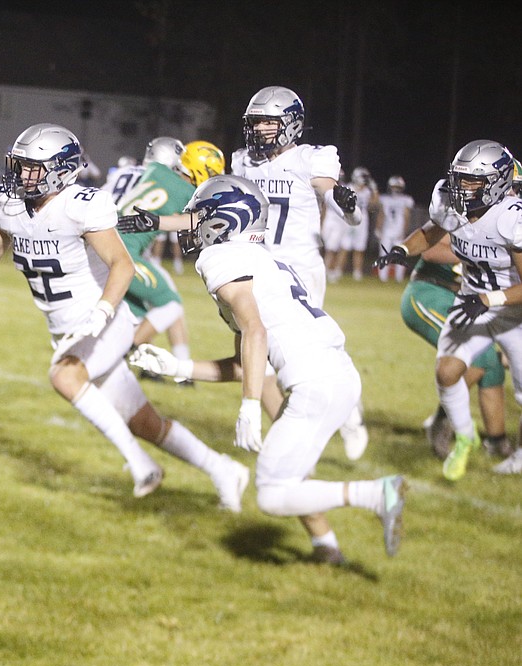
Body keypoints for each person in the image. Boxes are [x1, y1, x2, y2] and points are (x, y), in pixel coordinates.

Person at [0, 122, 250, 510]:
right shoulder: (10, 204)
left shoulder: (81, 205)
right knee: (145, 422)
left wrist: (103, 311)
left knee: (64, 376)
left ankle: (142, 466)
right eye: (21, 165)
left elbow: (123, 264)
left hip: (105, 322)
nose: (21, 174)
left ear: (61, 170)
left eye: (33, 167)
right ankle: (223, 470)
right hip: (68, 330)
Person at [129, 175, 405, 564]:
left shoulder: (220, 258)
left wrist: (249, 407)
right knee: (288, 477)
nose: (192, 224)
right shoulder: (260, 257)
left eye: (200, 216)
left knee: (273, 493)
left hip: (315, 385)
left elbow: (255, 331)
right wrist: (179, 366)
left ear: (225, 222)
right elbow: (246, 366)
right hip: (337, 376)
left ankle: (377, 494)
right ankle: (328, 545)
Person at [231, 86, 370, 461]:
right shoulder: (243, 162)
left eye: (268, 123)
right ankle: (284, 432)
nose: (259, 130)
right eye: (255, 122)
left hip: (298, 271)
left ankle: (348, 414)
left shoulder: (313, 159)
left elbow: (338, 202)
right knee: (255, 353)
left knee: (303, 356)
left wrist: (345, 205)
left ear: (291, 125)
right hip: (255, 266)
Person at [374, 139, 522, 479]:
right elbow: (430, 231)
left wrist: (489, 299)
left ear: (498, 183)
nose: (462, 187)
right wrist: (401, 249)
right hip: (473, 301)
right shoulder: (454, 204)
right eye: (460, 178)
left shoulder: (511, 219)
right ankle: (465, 438)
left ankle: (515, 453)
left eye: (472, 181)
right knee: (447, 372)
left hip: (511, 310)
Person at [114, 138, 226, 385]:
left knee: (139, 311)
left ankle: (173, 370)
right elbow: (201, 220)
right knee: (169, 304)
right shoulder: (188, 192)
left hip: (112, 245)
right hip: (125, 254)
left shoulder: (156, 170)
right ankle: (122, 354)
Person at [394, 235, 511, 460]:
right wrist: (480, 253)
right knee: (479, 356)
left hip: (466, 301)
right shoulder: (469, 214)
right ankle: (442, 419)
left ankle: (498, 443)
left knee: (492, 365)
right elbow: (431, 250)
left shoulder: (511, 229)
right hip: (428, 292)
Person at [376, 175, 415, 283]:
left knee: (397, 254)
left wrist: (404, 231)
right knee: (388, 254)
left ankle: (396, 277)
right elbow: (381, 215)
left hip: (396, 231)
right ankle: (384, 277)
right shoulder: (387, 199)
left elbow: (406, 216)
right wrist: (378, 228)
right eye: (394, 187)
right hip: (388, 230)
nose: (395, 189)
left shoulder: (405, 200)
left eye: (397, 187)